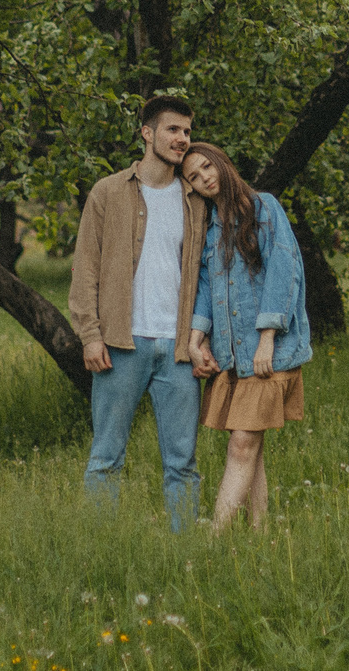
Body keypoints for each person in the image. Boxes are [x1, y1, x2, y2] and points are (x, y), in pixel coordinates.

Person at [68, 94, 208, 528]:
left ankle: (184, 554)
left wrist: (200, 338)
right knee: (106, 457)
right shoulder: (108, 192)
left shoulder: (197, 199)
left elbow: (207, 274)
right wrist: (89, 334)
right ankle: (99, 550)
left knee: (182, 463)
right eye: (172, 129)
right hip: (120, 345)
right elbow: (85, 266)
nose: (182, 139)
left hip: (179, 350)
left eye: (187, 131)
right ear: (146, 133)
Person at [180, 141, 311, 531]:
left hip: (268, 352)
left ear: (221, 163)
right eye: (194, 177)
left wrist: (267, 337)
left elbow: (283, 271)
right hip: (233, 355)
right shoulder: (212, 228)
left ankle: (214, 539)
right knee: (250, 447)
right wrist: (195, 338)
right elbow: (206, 287)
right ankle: (260, 531)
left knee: (241, 444)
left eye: (207, 167)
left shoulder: (264, 207)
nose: (205, 178)